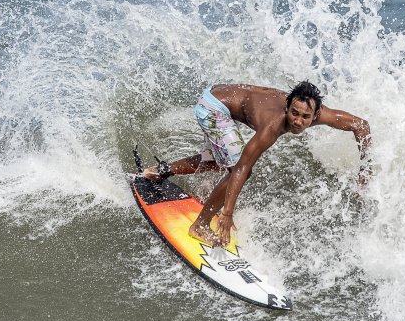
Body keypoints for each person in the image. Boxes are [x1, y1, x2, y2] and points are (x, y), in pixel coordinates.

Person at [142, 82, 371, 247]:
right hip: (213, 107)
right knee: (236, 168)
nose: (297, 121)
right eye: (293, 113)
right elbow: (241, 168)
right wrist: (227, 212)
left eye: (305, 117)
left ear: (316, 115)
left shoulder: (323, 114)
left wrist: (365, 169)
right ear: (287, 106)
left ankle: (162, 171)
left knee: (217, 161)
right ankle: (200, 225)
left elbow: (361, 125)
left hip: (220, 94)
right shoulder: (272, 125)